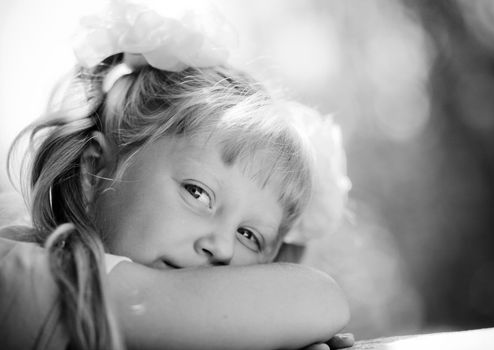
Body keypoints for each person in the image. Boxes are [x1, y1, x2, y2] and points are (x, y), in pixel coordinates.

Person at [0, 1, 353, 349]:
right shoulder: (41, 278)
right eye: (198, 193)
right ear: (94, 172)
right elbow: (322, 298)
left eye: (249, 235)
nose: (222, 248)